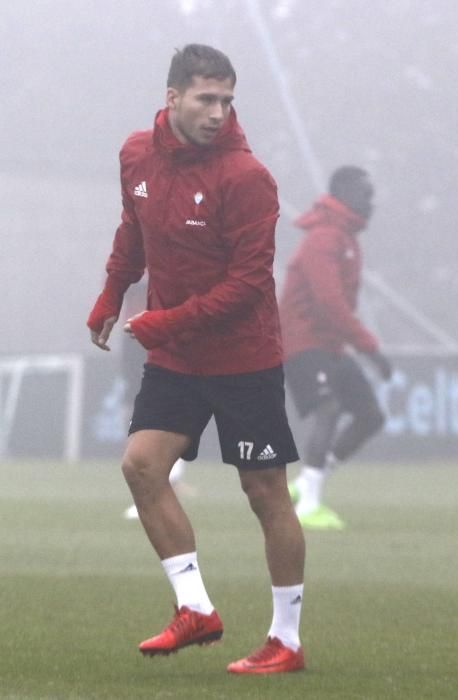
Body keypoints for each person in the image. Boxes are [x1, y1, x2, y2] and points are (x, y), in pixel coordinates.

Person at [86, 44, 305, 674]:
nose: (218, 113)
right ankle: (196, 609)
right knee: (141, 467)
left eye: (227, 101)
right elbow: (134, 229)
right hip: (179, 358)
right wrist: (110, 293)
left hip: (244, 358)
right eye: (206, 99)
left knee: (265, 492)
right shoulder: (136, 154)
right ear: (172, 98)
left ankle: (286, 640)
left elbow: (247, 284)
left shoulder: (247, 177)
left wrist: (164, 321)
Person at [279, 166, 392, 530]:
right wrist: (370, 349)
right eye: (365, 194)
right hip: (302, 342)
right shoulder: (324, 238)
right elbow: (329, 302)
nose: (371, 203)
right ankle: (309, 504)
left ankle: (306, 482)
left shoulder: (346, 239)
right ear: (343, 193)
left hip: (330, 345)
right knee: (328, 408)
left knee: (370, 416)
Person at [119, 280, 190, 521]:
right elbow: (119, 280)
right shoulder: (135, 254)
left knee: (173, 404)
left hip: (165, 330)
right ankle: (150, 485)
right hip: (135, 333)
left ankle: (170, 480)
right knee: (136, 405)